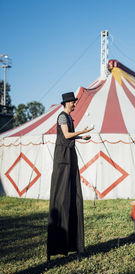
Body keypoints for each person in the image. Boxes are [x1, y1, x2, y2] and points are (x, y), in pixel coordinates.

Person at [47, 92, 93, 261]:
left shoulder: (69, 118)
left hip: (70, 157)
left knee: (75, 199)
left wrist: (81, 136)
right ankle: (58, 245)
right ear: (67, 103)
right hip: (63, 160)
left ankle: (77, 246)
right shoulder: (62, 117)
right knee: (62, 199)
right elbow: (66, 135)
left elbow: (70, 136)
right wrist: (83, 130)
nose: (75, 104)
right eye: (73, 102)